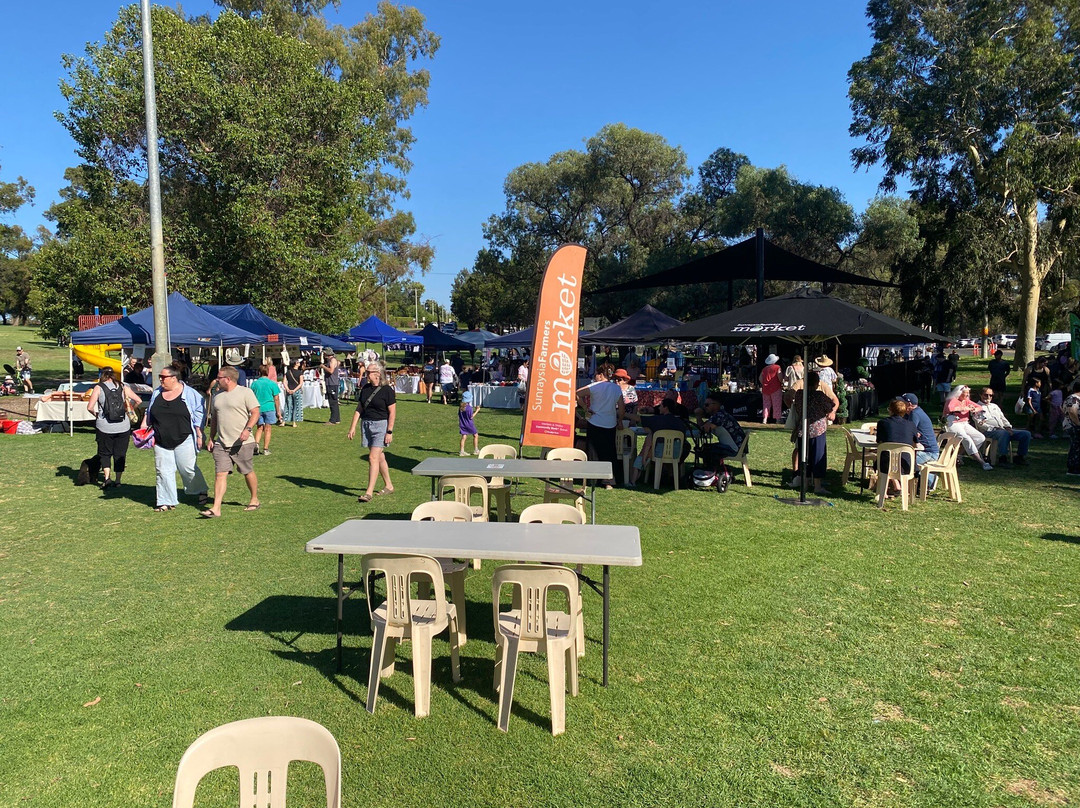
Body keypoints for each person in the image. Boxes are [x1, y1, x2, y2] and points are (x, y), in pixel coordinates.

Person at [144, 363, 208, 512]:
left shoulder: (190, 393)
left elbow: (200, 413)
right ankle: (165, 501)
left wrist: (199, 434)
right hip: (161, 439)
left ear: (174, 378)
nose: (160, 380)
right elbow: (150, 410)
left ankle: (200, 489)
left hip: (184, 437)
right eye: (159, 377)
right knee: (163, 471)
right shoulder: (157, 392)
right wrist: (144, 426)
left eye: (163, 377)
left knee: (187, 469)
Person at [203, 366, 262, 517]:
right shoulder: (217, 396)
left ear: (228, 379)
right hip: (221, 443)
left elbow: (255, 412)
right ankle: (216, 508)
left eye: (219, 377)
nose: (216, 380)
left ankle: (254, 499)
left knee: (246, 471)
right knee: (220, 474)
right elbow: (215, 419)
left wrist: (247, 429)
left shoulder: (245, 392)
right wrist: (211, 438)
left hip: (242, 442)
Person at [84, 367, 142, 489]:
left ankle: (107, 478)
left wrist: (97, 416)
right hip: (123, 426)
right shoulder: (123, 386)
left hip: (104, 426)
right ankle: (118, 480)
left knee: (105, 453)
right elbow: (138, 400)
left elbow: (90, 407)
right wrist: (129, 409)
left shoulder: (98, 388)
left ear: (102, 375)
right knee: (120, 454)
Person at [347, 363, 396, 503]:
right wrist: (352, 427)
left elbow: (392, 413)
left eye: (369, 372)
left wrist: (389, 431)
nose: (366, 374)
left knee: (372, 458)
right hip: (366, 425)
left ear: (377, 373)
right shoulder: (366, 389)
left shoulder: (387, 390)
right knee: (379, 457)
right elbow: (359, 408)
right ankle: (389, 486)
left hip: (381, 425)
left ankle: (368, 493)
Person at [791, 371, 839, 495]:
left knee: (804, 456)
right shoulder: (819, 396)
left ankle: (805, 482)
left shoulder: (800, 394)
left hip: (803, 429)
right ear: (817, 383)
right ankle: (817, 485)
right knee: (818, 457)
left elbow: (795, 406)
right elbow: (830, 405)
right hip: (818, 430)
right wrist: (831, 412)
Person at [577, 365, 625, 488]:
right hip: (610, 423)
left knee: (593, 451)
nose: (594, 377)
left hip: (595, 421)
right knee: (609, 452)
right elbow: (621, 407)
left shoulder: (594, 386)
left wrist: (585, 408)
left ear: (600, 375)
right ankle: (609, 482)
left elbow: (577, 393)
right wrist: (620, 420)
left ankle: (593, 479)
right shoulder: (616, 388)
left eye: (595, 375)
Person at [628, 398, 690, 487]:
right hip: (676, 454)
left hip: (658, 454)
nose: (659, 408)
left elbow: (639, 418)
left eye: (660, 406)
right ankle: (672, 475)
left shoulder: (657, 420)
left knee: (649, 444)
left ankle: (634, 480)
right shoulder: (680, 422)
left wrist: (622, 413)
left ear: (666, 408)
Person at [973, 387, 1030, 466]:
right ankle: (1002, 458)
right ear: (980, 395)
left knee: (1026, 434)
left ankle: (1020, 457)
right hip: (988, 431)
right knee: (1003, 433)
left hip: (1003, 429)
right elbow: (980, 423)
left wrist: (1008, 427)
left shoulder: (994, 406)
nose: (988, 397)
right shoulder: (976, 407)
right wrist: (995, 428)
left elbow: (1003, 418)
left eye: (991, 395)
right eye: (986, 395)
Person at [943, 384, 993, 470]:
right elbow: (951, 408)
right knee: (967, 438)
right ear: (959, 393)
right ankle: (981, 461)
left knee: (980, 437)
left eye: (968, 393)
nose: (967, 395)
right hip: (953, 422)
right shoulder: (952, 400)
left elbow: (979, 407)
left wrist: (974, 409)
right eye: (965, 393)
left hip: (964, 423)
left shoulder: (967, 400)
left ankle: (959, 455)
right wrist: (965, 408)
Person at [876, 397, 919, 494]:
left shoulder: (882, 423)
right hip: (906, 464)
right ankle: (897, 487)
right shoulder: (911, 424)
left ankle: (882, 492)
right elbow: (916, 443)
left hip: (886, 465)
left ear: (890, 410)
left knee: (884, 457)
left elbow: (879, 441)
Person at [900, 393, 940, 489]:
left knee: (904, 461)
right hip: (922, 450)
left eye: (902, 402)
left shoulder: (915, 414)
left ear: (909, 404)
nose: (899, 404)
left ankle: (930, 479)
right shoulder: (910, 414)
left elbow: (908, 432)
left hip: (928, 452)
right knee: (901, 459)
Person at [250, 364, 283, 455]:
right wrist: (278, 411)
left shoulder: (255, 383)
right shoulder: (272, 384)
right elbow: (276, 398)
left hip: (258, 408)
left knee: (259, 427)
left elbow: (251, 396)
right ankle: (265, 449)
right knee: (268, 428)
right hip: (269, 408)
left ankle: (256, 444)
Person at [759, 353, 783, 424]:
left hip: (765, 388)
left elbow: (760, 378)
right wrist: (781, 382)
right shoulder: (777, 367)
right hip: (776, 388)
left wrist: (764, 383)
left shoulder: (764, 369)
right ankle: (777, 419)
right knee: (776, 404)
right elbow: (780, 377)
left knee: (766, 404)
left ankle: (765, 419)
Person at [1063, 380, 1080, 475]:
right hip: (1074, 426)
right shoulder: (1073, 398)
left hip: (1074, 426)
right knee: (1076, 447)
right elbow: (1072, 411)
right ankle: (1074, 468)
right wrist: (1078, 424)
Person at [282, 357, 304, 427]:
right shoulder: (299, 373)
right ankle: (294, 422)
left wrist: (287, 389)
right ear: (295, 364)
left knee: (288, 406)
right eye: (298, 362)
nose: (299, 363)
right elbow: (301, 383)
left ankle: (284, 421)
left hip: (289, 390)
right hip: (296, 391)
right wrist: (294, 390)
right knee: (296, 406)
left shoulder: (288, 372)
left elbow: (284, 381)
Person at [458, 389, 481, 455]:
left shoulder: (461, 407)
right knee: (475, 435)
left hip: (462, 423)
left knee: (464, 436)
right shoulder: (469, 408)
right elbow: (471, 417)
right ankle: (476, 450)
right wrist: (477, 410)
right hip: (469, 424)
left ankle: (462, 451)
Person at [323, 351, 341, 425]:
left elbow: (331, 371)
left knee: (332, 402)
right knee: (334, 402)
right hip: (331, 383)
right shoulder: (331, 360)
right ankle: (337, 419)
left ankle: (332, 420)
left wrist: (323, 366)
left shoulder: (332, 360)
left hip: (332, 384)